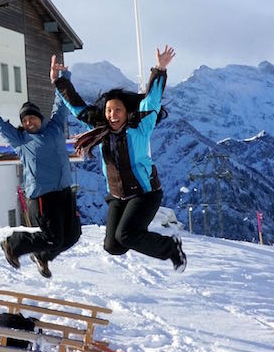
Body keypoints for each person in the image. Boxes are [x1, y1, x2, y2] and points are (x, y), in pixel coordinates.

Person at [53, 45, 186, 272]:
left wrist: (159, 69)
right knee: (113, 246)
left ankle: (170, 247)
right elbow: (77, 107)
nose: (112, 115)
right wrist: (59, 82)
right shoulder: (100, 129)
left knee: (127, 234)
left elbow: (151, 100)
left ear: (127, 112)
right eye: (108, 111)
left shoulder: (140, 126)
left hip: (145, 193)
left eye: (117, 110)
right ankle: (138, 236)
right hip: (118, 196)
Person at [0, 60, 81, 278]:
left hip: (65, 191)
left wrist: (63, 79)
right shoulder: (21, 140)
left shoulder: (56, 128)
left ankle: (42, 256)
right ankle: (13, 244)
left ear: (41, 119)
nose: (29, 122)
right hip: (42, 196)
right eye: (25, 119)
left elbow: (61, 103)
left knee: (72, 236)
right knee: (52, 237)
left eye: (32, 117)